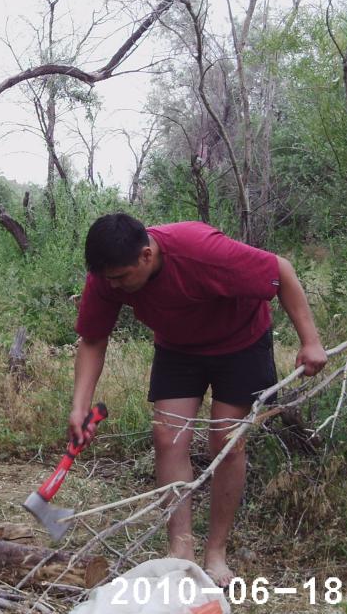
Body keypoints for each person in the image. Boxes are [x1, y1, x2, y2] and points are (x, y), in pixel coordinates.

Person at [68, 213, 327, 586]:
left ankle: (216, 553)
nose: (114, 286)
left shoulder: (200, 251)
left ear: (146, 255)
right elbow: (93, 339)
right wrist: (80, 407)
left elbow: (281, 271)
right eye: (108, 279)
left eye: (121, 278)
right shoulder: (108, 276)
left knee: (226, 441)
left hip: (241, 342)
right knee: (167, 437)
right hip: (178, 347)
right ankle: (181, 552)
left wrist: (311, 341)